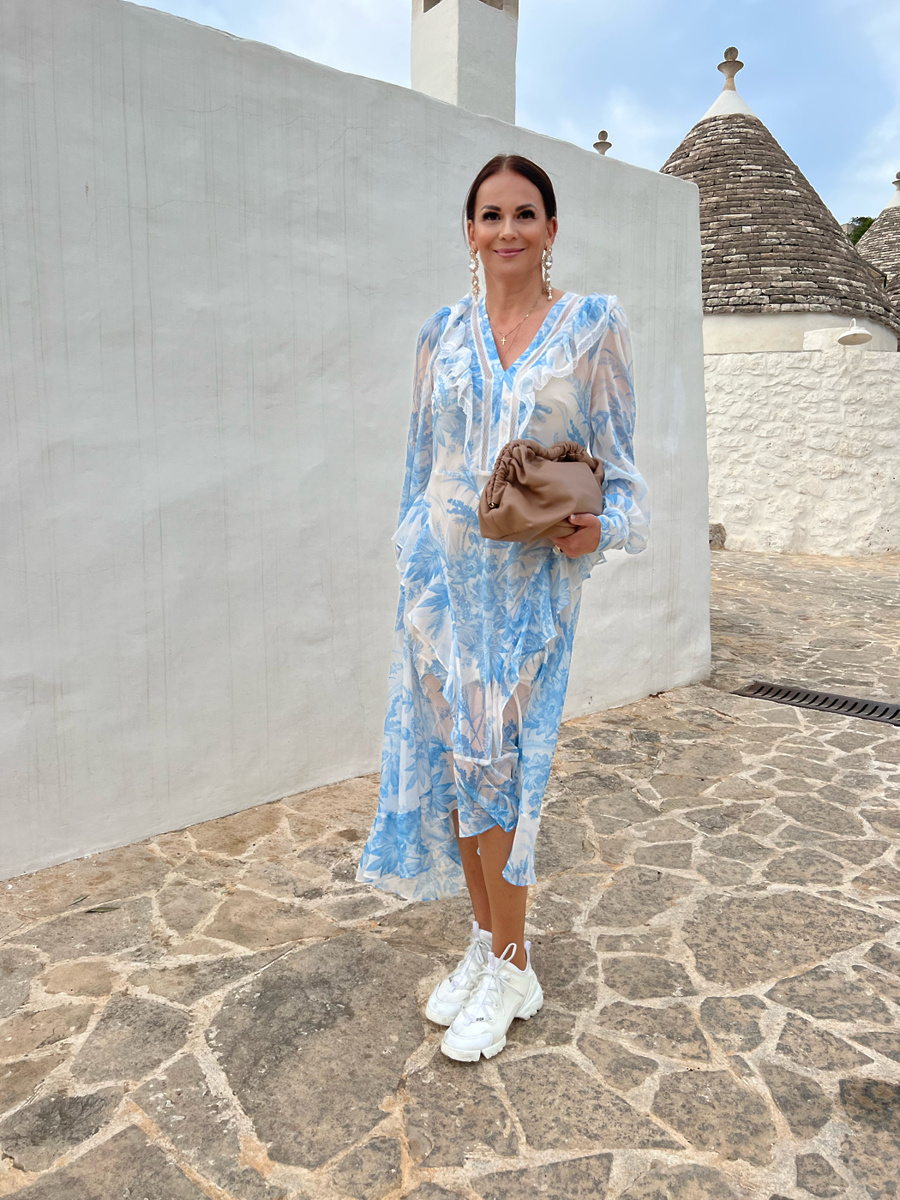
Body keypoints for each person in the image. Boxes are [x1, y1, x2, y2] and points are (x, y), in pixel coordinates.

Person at [357, 154, 650, 1062]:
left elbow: (624, 478)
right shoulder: (440, 334)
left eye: (526, 214)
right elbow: (419, 466)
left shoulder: (592, 326)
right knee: (459, 772)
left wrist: (600, 531)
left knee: (503, 775)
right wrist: (410, 566)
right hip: (441, 593)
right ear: (470, 231)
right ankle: (488, 946)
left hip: (527, 596)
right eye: (491, 215)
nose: (508, 230)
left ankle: (517, 965)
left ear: (552, 230)